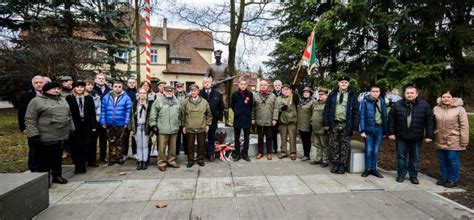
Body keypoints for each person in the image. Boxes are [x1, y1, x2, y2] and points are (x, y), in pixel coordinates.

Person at [25, 82, 75, 184]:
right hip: (45, 136)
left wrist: (71, 129)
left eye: (58, 88)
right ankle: (45, 180)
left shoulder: (62, 100)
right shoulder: (36, 101)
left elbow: (69, 116)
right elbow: (30, 119)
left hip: (61, 135)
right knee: (44, 160)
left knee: (57, 158)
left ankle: (57, 176)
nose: (56, 90)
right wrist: (34, 135)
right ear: (46, 90)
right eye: (53, 89)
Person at [388, 85, 434, 184]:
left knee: (415, 157)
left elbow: (429, 121)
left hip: (416, 136)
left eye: (412, 93)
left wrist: (429, 136)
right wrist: (391, 133)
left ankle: (413, 176)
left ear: (416, 94)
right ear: (404, 94)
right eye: (407, 93)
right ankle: (401, 175)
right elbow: (391, 119)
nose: (410, 95)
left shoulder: (424, 105)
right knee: (401, 156)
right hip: (401, 136)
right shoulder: (397, 105)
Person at [322, 76, 359, 174]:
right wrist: (325, 123)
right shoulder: (333, 94)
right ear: (338, 83)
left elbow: (356, 111)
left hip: (346, 124)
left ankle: (342, 165)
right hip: (334, 123)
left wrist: (355, 127)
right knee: (334, 144)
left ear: (348, 84)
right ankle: (335, 163)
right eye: (342, 82)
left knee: (345, 145)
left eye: (345, 82)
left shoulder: (352, 95)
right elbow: (327, 109)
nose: (343, 84)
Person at [433, 91, 468, 188]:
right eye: (444, 97)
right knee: (442, 159)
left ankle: (453, 179)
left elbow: (464, 126)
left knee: (452, 159)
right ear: (441, 98)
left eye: (448, 96)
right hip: (439, 137)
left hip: (454, 139)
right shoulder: (436, 108)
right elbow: (432, 123)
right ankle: (444, 177)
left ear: (453, 98)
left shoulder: (460, 109)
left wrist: (464, 140)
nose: (446, 99)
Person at [66, 81, 96, 174]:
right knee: (75, 146)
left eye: (82, 87)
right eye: (78, 87)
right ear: (74, 88)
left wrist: (93, 125)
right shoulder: (69, 98)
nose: (80, 89)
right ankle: (77, 165)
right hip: (75, 125)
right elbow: (68, 112)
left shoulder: (89, 98)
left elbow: (92, 113)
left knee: (85, 145)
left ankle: (83, 165)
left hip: (86, 125)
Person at [149, 85, 181, 171]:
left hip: (174, 128)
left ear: (173, 92)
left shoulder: (176, 102)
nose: (169, 93)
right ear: (164, 92)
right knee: (162, 148)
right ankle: (162, 163)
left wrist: (179, 124)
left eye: (171, 91)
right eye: (167, 91)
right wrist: (153, 125)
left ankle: (172, 161)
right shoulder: (158, 101)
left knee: (173, 147)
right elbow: (153, 113)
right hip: (162, 128)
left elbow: (180, 114)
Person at [100, 80, 132, 166]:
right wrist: (103, 121)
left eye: (119, 87)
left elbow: (128, 111)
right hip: (109, 122)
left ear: (122, 88)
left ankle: (119, 158)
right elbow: (103, 110)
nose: (117, 88)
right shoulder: (106, 97)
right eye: (115, 86)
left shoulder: (126, 97)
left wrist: (126, 122)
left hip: (120, 123)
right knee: (111, 141)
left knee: (120, 141)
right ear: (112, 87)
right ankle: (112, 158)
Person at [359, 85, 388, 178]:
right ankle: (367, 169)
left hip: (379, 129)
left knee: (375, 150)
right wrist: (362, 130)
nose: (375, 93)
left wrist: (385, 131)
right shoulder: (365, 101)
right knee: (369, 149)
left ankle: (374, 169)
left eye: (377, 91)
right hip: (368, 129)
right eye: (373, 91)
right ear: (370, 92)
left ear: (379, 92)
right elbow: (362, 116)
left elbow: (384, 116)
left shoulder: (382, 101)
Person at [18, 75, 45, 171]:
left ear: (44, 82)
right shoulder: (27, 96)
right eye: (36, 83)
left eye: (40, 82)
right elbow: (21, 113)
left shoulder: (49, 94)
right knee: (34, 147)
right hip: (32, 126)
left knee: (45, 147)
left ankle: (44, 167)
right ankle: (33, 168)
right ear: (32, 84)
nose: (38, 85)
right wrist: (23, 127)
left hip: (46, 127)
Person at [182, 84, 212, 168]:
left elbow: (209, 114)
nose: (193, 92)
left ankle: (200, 159)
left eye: (195, 90)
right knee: (190, 145)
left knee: (201, 145)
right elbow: (182, 114)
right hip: (189, 127)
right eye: (192, 91)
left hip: (201, 126)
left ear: (198, 91)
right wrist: (183, 126)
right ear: (190, 92)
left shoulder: (204, 102)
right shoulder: (186, 101)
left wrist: (208, 124)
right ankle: (190, 160)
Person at [199, 77, 224, 161]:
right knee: (201, 138)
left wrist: (219, 117)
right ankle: (201, 155)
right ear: (203, 84)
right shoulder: (199, 94)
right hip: (201, 120)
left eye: (208, 82)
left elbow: (221, 107)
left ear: (211, 84)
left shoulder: (217, 94)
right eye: (205, 82)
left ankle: (211, 154)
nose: (207, 84)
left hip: (213, 120)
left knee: (211, 137)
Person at [252, 79, 277, 160]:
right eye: (262, 85)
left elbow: (276, 108)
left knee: (269, 137)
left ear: (268, 86)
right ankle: (260, 152)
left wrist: (275, 119)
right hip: (259, 121)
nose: (263, 86)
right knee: (260, 137)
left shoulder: (273, 96)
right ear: (260, 86)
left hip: (269, 121)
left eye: (265, 85)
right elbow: (252, 108)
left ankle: (269, 153)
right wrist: (253, 118)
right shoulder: (255, 96)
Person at [205, 50, 231, 125]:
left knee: (225, 105)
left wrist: (227, 79)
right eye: (216, 57)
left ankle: (227, 121)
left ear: (220, 57)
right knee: (213, 106)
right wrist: (211, 83)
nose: (217, 58)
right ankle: (213, 120)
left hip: (223, 88)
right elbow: (206, 77)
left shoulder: (225, 66)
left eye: (219, 57)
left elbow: (228, 76)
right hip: (214, 89)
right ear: (214, 57)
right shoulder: (211, 66)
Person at [274, 84, 299, 160]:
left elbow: (297, 98)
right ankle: (283, 152)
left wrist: (294, 91)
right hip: (282, 122)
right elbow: (276, 108)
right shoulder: (278, 99)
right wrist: (281, 108)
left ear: (290, 90)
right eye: (284, 90)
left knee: (292, 138)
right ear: (282, 91)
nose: (286, 91)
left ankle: (293, 153)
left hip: (292, 121)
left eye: (288, 89)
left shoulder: (293, 97)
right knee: (283, 138)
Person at [231, 79, 254, 162]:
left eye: (244, 84)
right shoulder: (234, 94)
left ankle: (245, 153)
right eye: (241, 84)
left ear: (247, 85)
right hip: (237, 119)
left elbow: (251, 106)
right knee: (236, 138)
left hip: (246, 119)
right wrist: (237, 112)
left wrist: (248, 114)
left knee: (246, 137)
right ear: (238, 85)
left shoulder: (250, 94)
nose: (243, 85)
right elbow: (232, 105)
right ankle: (237, 154)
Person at [131, 88, 153, 170]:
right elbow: (131, 117)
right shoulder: (135, 104)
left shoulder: (150, 104)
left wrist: (151, 129)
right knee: (139, 145)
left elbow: (151, 117)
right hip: (138, 126)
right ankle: (140, 161)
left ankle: (144, 161)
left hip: (145, 126)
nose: (142, 95)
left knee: (145, 145)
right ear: (138, 94)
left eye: (144, 93)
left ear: (147, 95)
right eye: (141, 93)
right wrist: (132, 129)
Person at [92, 73, 111, 163]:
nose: (101, 80)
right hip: (95, 118)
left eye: (103, 78)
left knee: (103, 139)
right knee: (93, 139)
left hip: (105, 118)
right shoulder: (92, 89)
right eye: (99, 78)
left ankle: (103, 156)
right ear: (95, 80)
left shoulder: (109, 90)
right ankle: (92, 157)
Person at [310, 88, 330, 167]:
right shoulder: (317, 103)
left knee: (324, 145)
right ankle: (318, 159)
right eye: (320, 94)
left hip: (323, 128)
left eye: (322, 95)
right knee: (317, 144)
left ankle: (325, 160)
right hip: (315, 127)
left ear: (326, 95)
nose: (320, 96)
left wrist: (327, 127)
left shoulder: (328, 104)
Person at [85, 79, 101, 167]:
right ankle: (86, 159)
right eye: (88, 84)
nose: (90, 86)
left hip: (95, 121)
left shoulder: (95, 96)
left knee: (93, 142)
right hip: (85, 122)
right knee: (86, 142)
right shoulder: (82, 96)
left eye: (91, 85)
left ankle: (92, 160)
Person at [297, 87, 316, 161]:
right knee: (303, 140)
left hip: (308, 124)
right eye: (304, 92)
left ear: (310, 93)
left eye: (307, 92)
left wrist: (311, 123)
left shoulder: (313, 102)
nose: (306, 93)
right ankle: (305, 154)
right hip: (300, 124)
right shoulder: (300, 101)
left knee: (307, 140)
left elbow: (314, 113)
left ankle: (307, 155)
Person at [123, 77, 138, 161]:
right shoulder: (124, 93)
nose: (132, 84)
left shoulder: (137, 93)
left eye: (133, 82)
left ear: (135, 84)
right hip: (126, 117)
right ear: (127, 83)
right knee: (125, 136)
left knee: (134, 136)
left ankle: (135, 153)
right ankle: (124, 153)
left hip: (135, 118)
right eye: (130, 82)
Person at [175, 82, 188, 155]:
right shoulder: (173, 96)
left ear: (183, 88)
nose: (180, 88)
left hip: (185, 119)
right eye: (178, 87)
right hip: (177, 120)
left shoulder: (188, 96)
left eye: (181, 87)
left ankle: (187, 152)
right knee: (177, 138)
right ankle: (176, 153)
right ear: (176, 88)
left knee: (186, 137)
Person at [271, 80, 283, 154]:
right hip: (274, 117)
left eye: (279, 85)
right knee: (273, 133)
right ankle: (274, 148)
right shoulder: (271, 95)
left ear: (281, 86)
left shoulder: (285, 93)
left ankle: (283, 149)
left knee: (283, 134)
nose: (277, 86)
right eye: (276, 85)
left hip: (283, 116)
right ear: (274, 86)